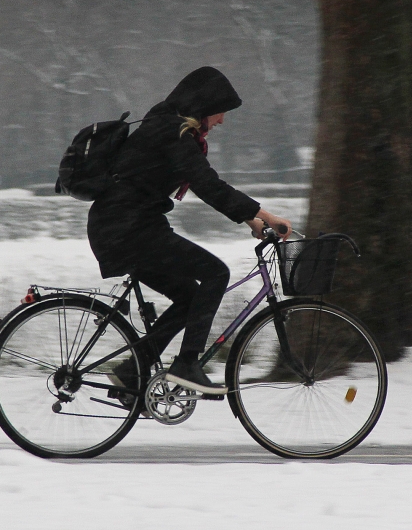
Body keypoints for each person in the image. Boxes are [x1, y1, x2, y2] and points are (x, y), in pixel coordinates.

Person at [87, 66, 292, 396]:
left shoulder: (169, 127)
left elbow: (202, 182)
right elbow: (207, 184)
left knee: (189, 297)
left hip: (124, 225)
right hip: (128, 229)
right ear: (204, 106)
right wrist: (262, 213)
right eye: (221, 111)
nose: (222, 120)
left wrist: (251, 220)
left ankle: (132, 371)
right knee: (215, 274)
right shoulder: (172, 132)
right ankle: (187, 364)